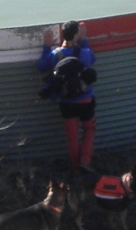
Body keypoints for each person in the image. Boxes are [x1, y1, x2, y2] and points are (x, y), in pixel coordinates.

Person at [40, 21, 98, 169]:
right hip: (85, 100)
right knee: (89, 129)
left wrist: (47, 46)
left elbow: (41, 67)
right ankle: (85, 161)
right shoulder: (84, 53)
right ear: (77, 34)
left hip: (66, 102)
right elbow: (93, 59)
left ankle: (76, 170)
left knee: (72, 138)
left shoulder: (55, 55)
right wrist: (84, 39)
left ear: (61, 34)